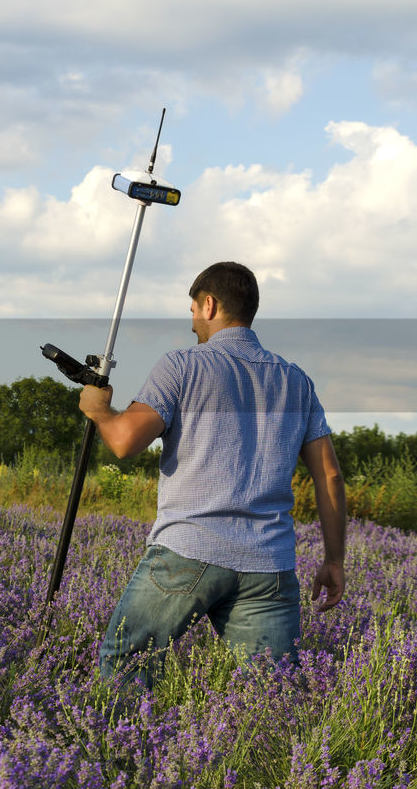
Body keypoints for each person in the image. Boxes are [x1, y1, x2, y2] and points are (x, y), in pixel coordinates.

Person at [78, 261, 347, 689]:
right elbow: (330, 477)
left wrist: (98, 410)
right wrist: (334, 561)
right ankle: (273, 759)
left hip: (189, 548)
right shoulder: (297, 382)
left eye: (191, 311)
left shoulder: (182, 366)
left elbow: (126, 441)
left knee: (127, 664)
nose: (191, 323)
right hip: (270, 563)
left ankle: (116, 754)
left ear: (209, 304)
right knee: (272, 695)